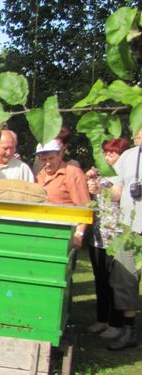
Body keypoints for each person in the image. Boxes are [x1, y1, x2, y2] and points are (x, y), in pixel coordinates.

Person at [88, 129, 142, 350]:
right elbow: (117, 192)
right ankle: (128, 331)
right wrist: (100, 189)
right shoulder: (129, 156)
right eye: (137, 128)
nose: (137, 133)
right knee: (124, 279)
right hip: (130, 230)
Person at [85, 138, 130, 339]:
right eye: (105, 153)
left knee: (116, 282)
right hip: (97, 235)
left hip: (117, 236)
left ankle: (116, 323)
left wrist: (99, 188)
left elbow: (116, 195)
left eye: (112, 153)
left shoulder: (125, 174)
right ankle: (102, 320)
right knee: (100, 279)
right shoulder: (99, 172)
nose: (107, 157)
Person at [36, 139, 90, 250]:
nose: (48, 163)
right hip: (42, 231)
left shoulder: (73, 173)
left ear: (60, 155)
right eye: (44, 159)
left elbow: (85, 207)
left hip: (64, 233)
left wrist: (79, 234)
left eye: (51, 158)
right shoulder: (39, 175)